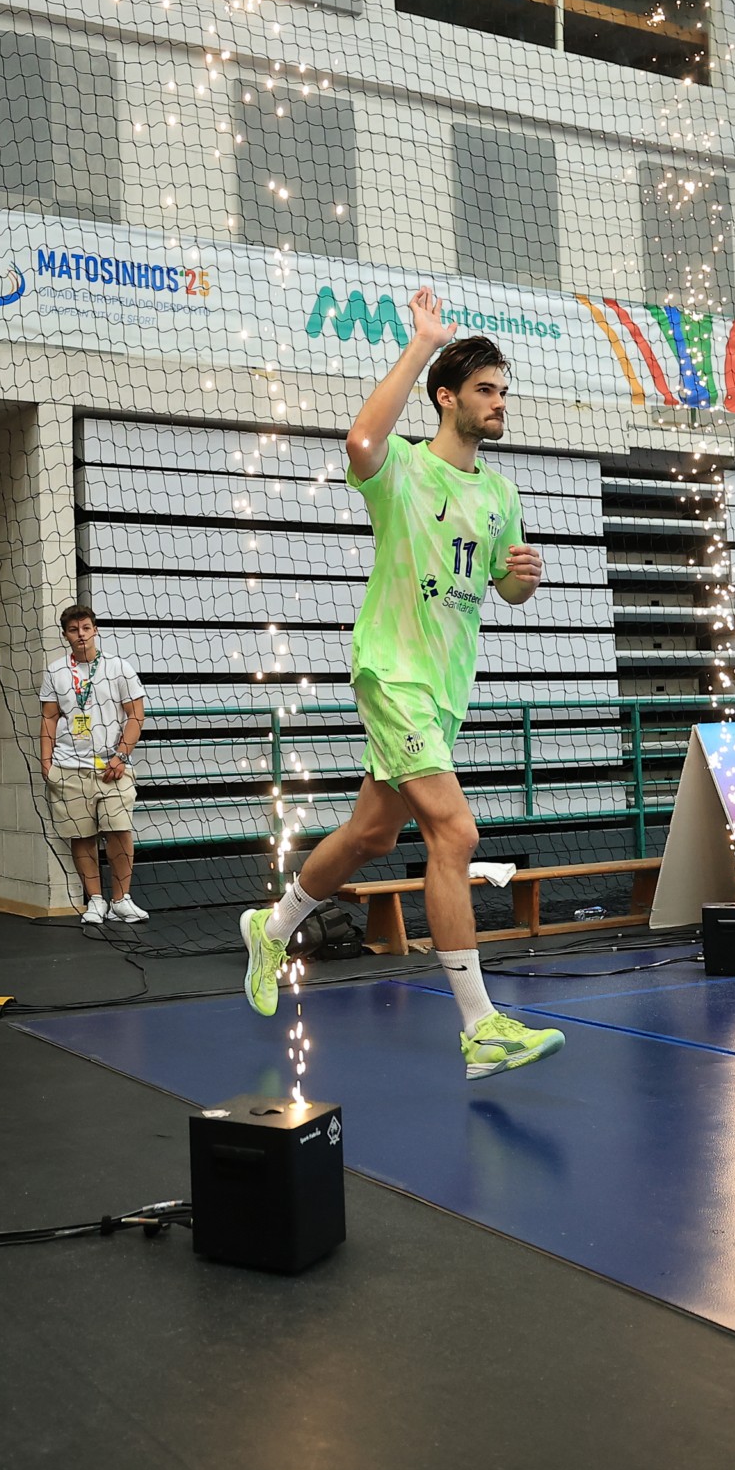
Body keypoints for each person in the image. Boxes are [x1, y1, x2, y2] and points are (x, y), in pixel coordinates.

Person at [236, 289, 563, 1080]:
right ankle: (480, 1028)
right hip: (391, 673)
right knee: (456, 833)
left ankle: (271, 928)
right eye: (486, 389)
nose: (500, 402)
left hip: (444, 692)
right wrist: (422, 343)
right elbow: (359, 440)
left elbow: (503, 588)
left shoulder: (501, 494)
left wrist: (523, 578)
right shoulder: (405, 471)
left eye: (503, 390)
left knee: (371, 836)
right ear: (448, 397)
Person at [39, 605, 146, 925]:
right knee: (81, 835)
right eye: (74, 630)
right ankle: (96, 901)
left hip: (112, 767)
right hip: (69, 767)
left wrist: (122, 755)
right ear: (65, 635)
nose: (81, 635)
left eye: (86, 628)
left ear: (95, 630)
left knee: (119, 830)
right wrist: (46, 762)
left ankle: (121, 900)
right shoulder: (56, 671)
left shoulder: (118, 667)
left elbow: (136, 715)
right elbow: (49, 717)